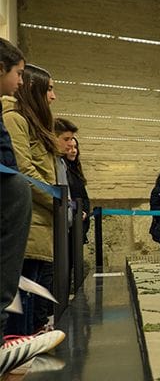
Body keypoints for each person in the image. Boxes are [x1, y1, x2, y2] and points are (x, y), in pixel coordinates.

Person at [2, 64, 60, 337]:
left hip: (41, 224)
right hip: (29, 223)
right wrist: (56, 199)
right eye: (49, 88)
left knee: (34, 298)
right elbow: (22, 170)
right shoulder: (15, 119)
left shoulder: (32, 122)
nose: (53, 96)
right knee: (20, 305)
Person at [65, 136, 91, 294]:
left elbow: (84, 198)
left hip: (78, 223)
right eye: (69, 147)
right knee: (66, 266)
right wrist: (76, 209)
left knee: (75, 263)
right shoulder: (62, 169)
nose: (73, 150)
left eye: (75, 147)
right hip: (67, 224)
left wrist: (85, 211)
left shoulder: (76, 171)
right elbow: (66, 198)